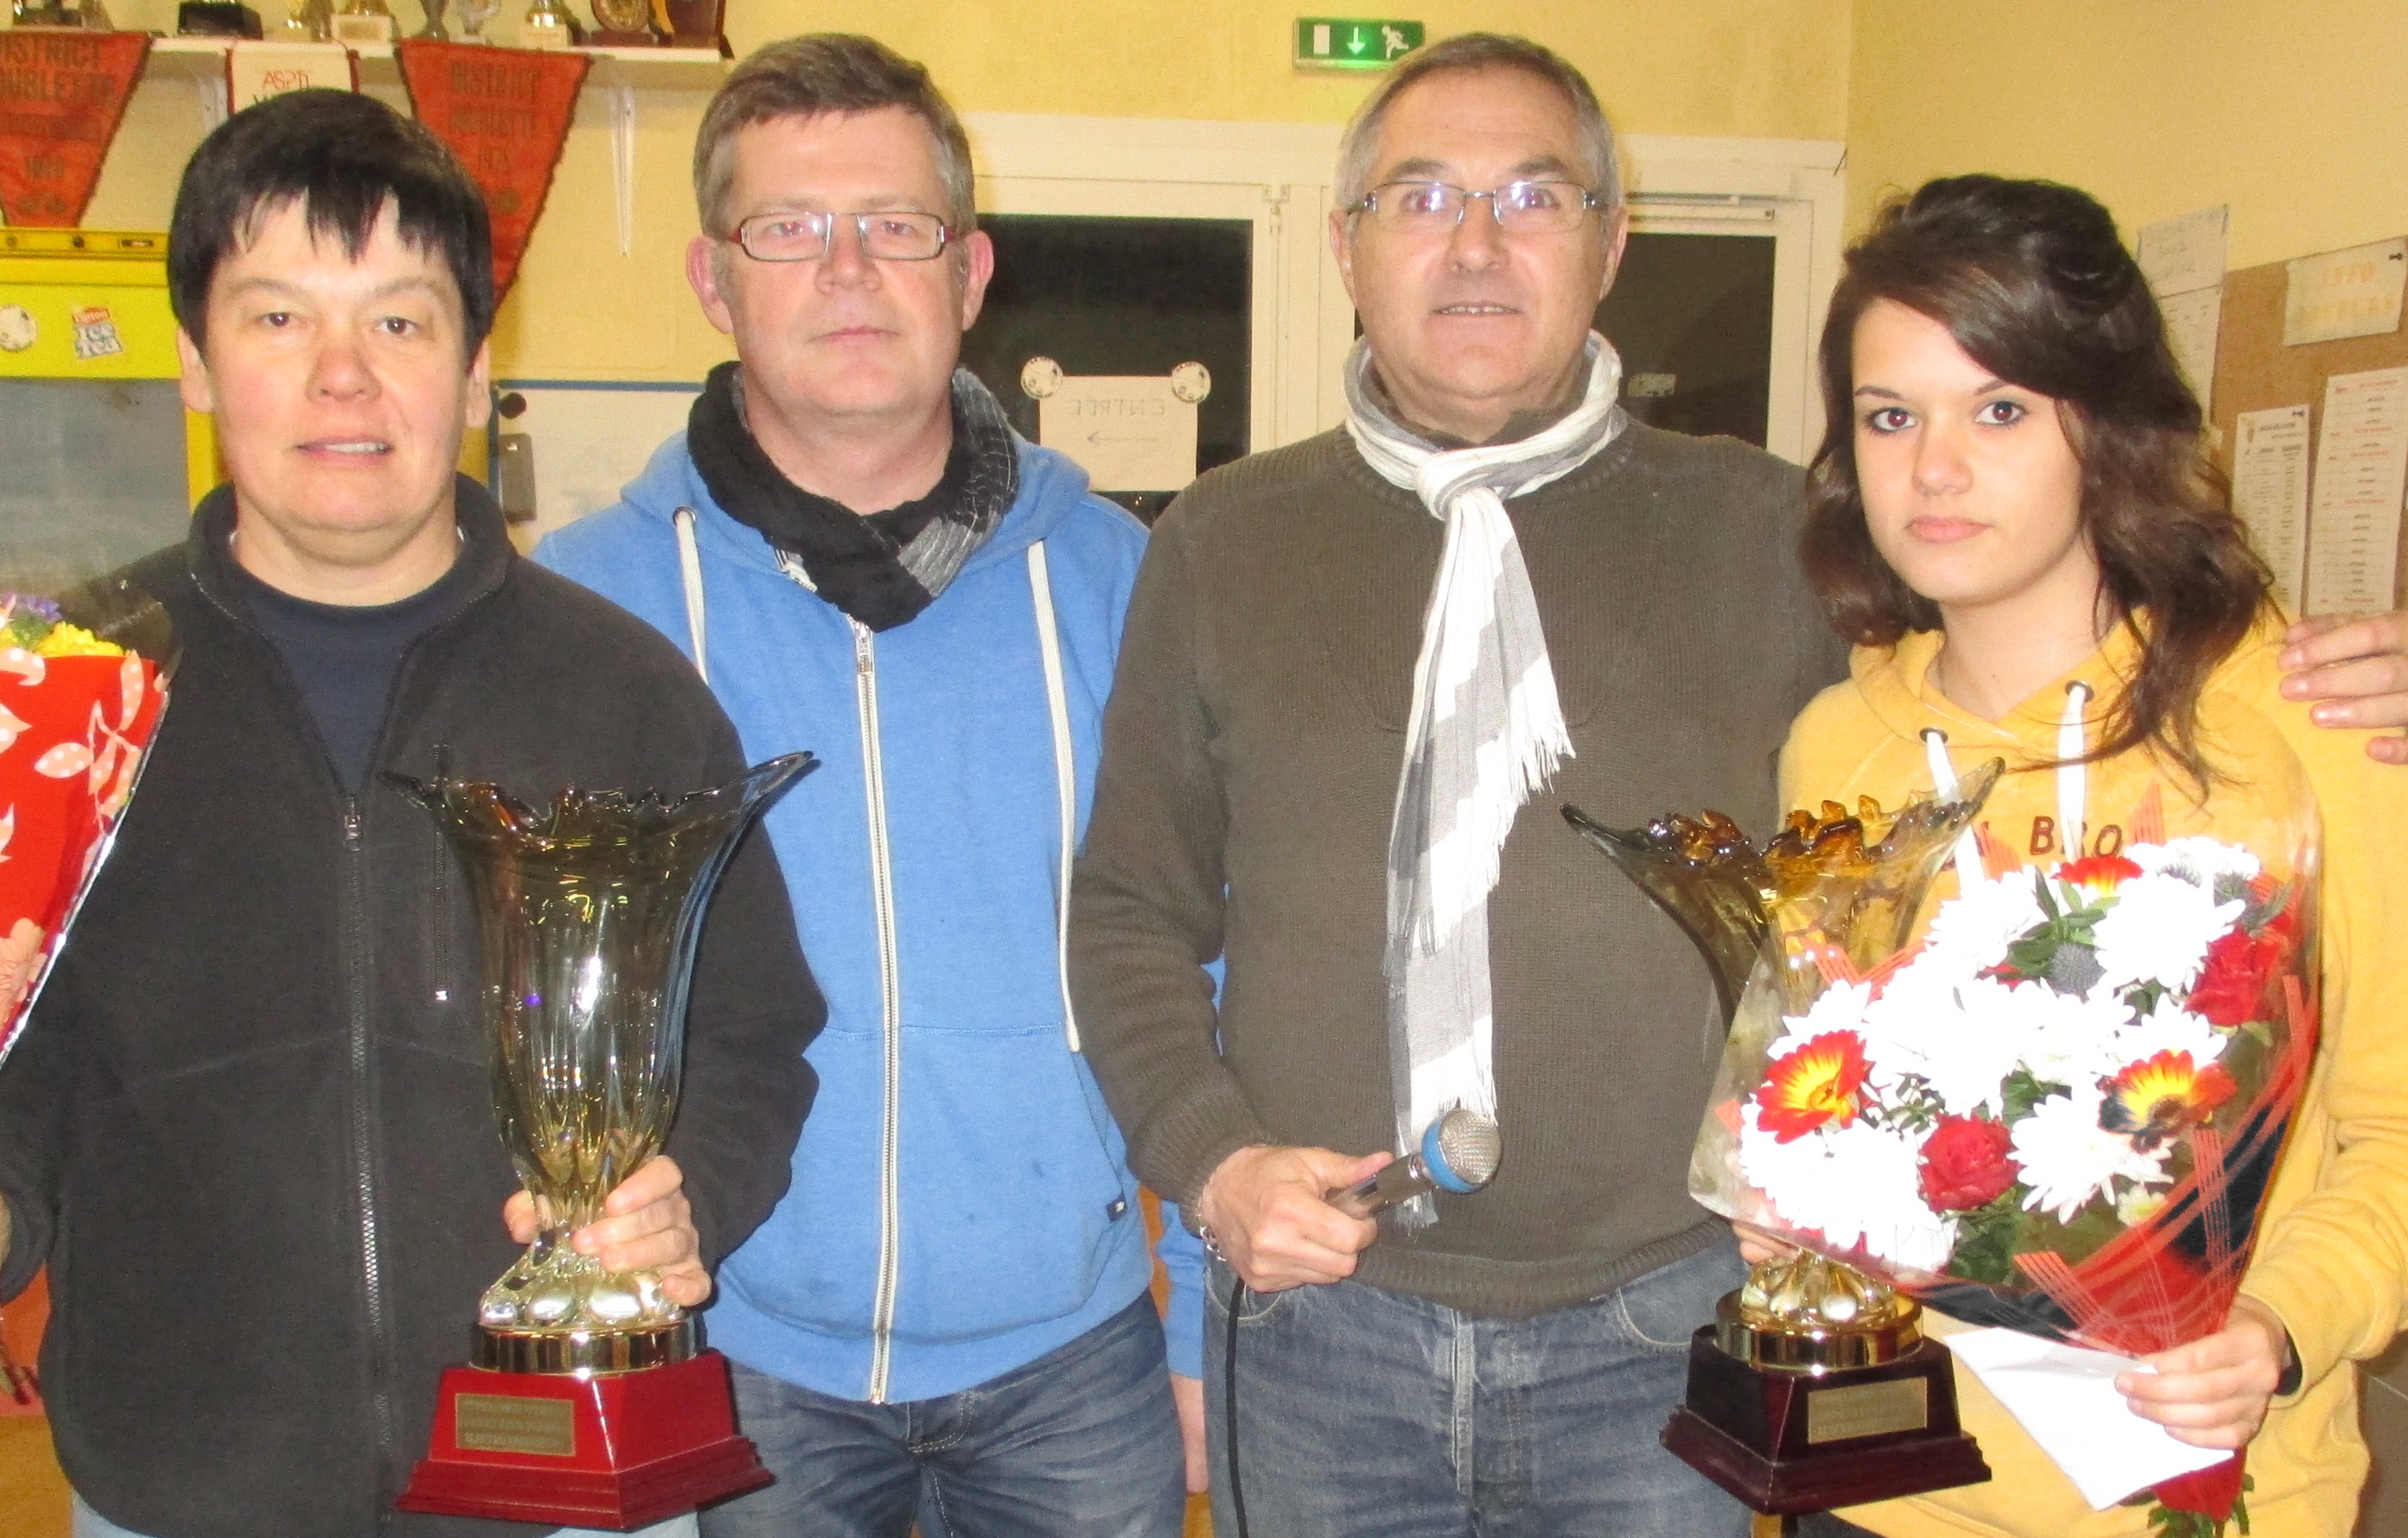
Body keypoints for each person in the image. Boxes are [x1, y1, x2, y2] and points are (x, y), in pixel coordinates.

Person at [1066, 32, 2408, 1538]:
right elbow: (1126, 903)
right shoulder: (1221, 541)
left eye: (1533, 194)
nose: (1475, 242)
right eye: (1420, 195)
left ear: (1609, 242)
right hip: (1331, 1331)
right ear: (1344, 242)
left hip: (1665, 1332)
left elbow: (2062, 661)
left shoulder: (1775, 542)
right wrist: (1210, 1156)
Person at [0, 90, 824, 1538]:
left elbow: (750, 1033)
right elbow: (28, 1085)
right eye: (275, 320)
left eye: (397, 321)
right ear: (194, 360)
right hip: (181, 1496)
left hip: (565, 1486)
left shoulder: (621, 690)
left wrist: (688, 1193)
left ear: (475, 363)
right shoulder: (70, 705)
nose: (342, 380)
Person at [534, 35, 1202, 1538]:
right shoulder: (583, 607)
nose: (847, 270)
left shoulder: (1122, 586)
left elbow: (1205, 946)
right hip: (737, 1349)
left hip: (1073, 1357)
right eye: (789, 228)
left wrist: (1199, 1324)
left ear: (968, 272)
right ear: (715, 282)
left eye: (893, 227)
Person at [1768, 174, 2408, 1538]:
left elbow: (2396, 1125)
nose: (1934, 468)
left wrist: (2284, 1327)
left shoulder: (2312, 724)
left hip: (2203, 1491)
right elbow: (1835, 1102)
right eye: (1892, 416)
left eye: (2000, 409)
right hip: (1887, 1496)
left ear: (2107, 431)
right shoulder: (1836, 751)